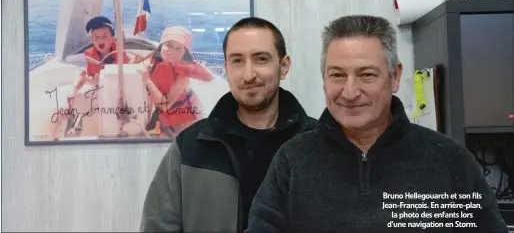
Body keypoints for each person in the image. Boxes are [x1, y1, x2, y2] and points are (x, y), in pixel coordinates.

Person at [245, 15, 508, 232]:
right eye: (337, 75)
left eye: (366, 75)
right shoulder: (292, 161)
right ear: (323, 78)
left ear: (395, 77)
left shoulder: (449, 161)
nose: (349, 91)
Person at [140, 17, 318, 232]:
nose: (249, 74)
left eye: (261, 59)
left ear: (284, 66)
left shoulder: (318, 144)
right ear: (225, 67)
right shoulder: (189, 147)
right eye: (237, 60)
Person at [47, 16, 141, 140]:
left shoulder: (120, 53)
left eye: (104, 36)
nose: (100, 40)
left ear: (112, 39)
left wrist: (134, 63)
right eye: (96, 37)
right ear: (92, 39)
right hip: (96, 93)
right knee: (58, 107)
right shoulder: (89, 55)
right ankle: (50, 140)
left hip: (116, 95)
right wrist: (71, 95)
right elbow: (87, 76)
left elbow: (126, 73)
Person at [139, 26, 214, 138]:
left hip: (184, 122)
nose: (171, 51)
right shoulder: (154, 60)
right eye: (168, 45)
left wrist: (147, 80)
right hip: (164, 120)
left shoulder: (182, 73)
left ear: (184, 53)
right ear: (161, 46)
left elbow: (165, 105)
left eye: (178, 48)